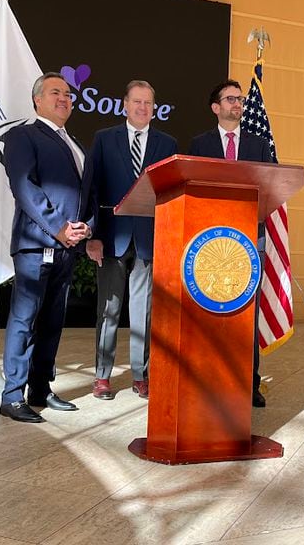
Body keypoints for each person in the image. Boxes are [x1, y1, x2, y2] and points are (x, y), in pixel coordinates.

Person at [0, 72, 95, 423]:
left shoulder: (76, 144)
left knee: (53, 321)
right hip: (35, 244)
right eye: (56, 92)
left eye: (68, 94)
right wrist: (57, 228)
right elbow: (23, 186)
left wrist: (87, 227)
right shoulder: (22, 135)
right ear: (37, 99)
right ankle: (12, 396)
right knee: (25, 320)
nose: (64, 98)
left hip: (68, 247)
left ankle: (40, 389)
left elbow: (88, 196)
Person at [85, 80, 178, 400]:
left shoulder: (167, 144)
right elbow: (92, 190)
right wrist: (92, 235)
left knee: (143, 312)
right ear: (124, 104)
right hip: (110, 239)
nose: (142, 108)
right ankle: (102, 376)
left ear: (155, 108)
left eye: (148, 103)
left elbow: (170, 193)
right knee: (108, 311)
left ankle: (141, 375)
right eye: (137, 102)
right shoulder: (103, 139)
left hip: (149, 241)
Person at [188, 79, 274, 408]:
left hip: (249, 239)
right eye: (230, 99)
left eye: (240, 99)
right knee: (211, 313)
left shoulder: (258, 145)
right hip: (209, 241)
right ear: (216, 107)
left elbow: (269, 187)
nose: (237, 104)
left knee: (245, 316)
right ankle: (208, 380)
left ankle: (248, 384)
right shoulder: (199, 144)